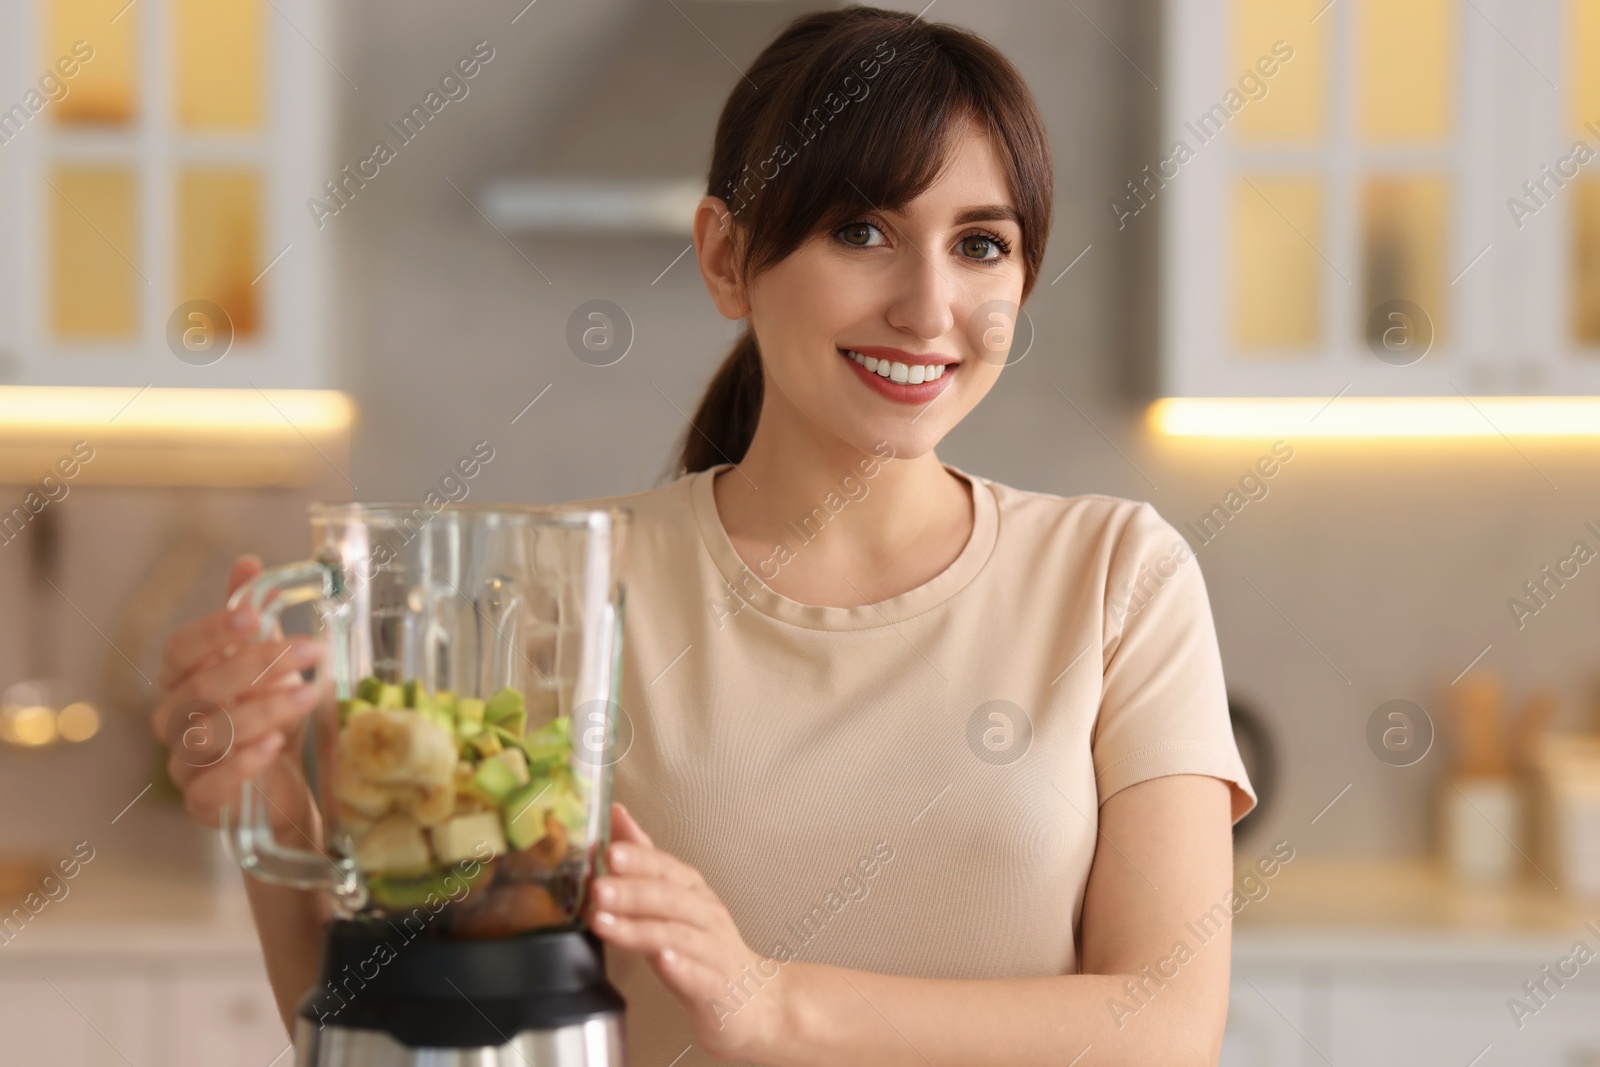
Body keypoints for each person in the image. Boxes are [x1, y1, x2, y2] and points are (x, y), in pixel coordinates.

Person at [151, 7, 1255, 1065]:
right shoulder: (558, 592)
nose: (928, 307)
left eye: (979, 244)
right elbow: (418, 1020)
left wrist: (771, 1002)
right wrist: (267, 802)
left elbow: (1164, 1028)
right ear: (726, 257)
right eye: (861, 229)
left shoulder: (1118, 576)